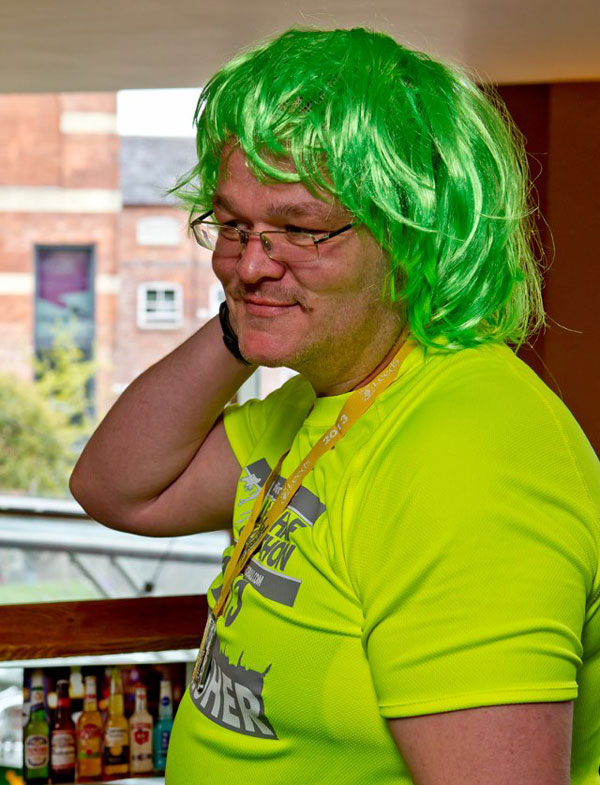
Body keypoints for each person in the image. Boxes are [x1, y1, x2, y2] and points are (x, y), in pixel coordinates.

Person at [70, 27, 600, 785]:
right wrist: (248, 316)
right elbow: (116, 487)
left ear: (415, 237)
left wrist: (269, 296)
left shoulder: (470, 452)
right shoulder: (328, 401)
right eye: (232, 225)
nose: (250, 261)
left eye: (303, 229)